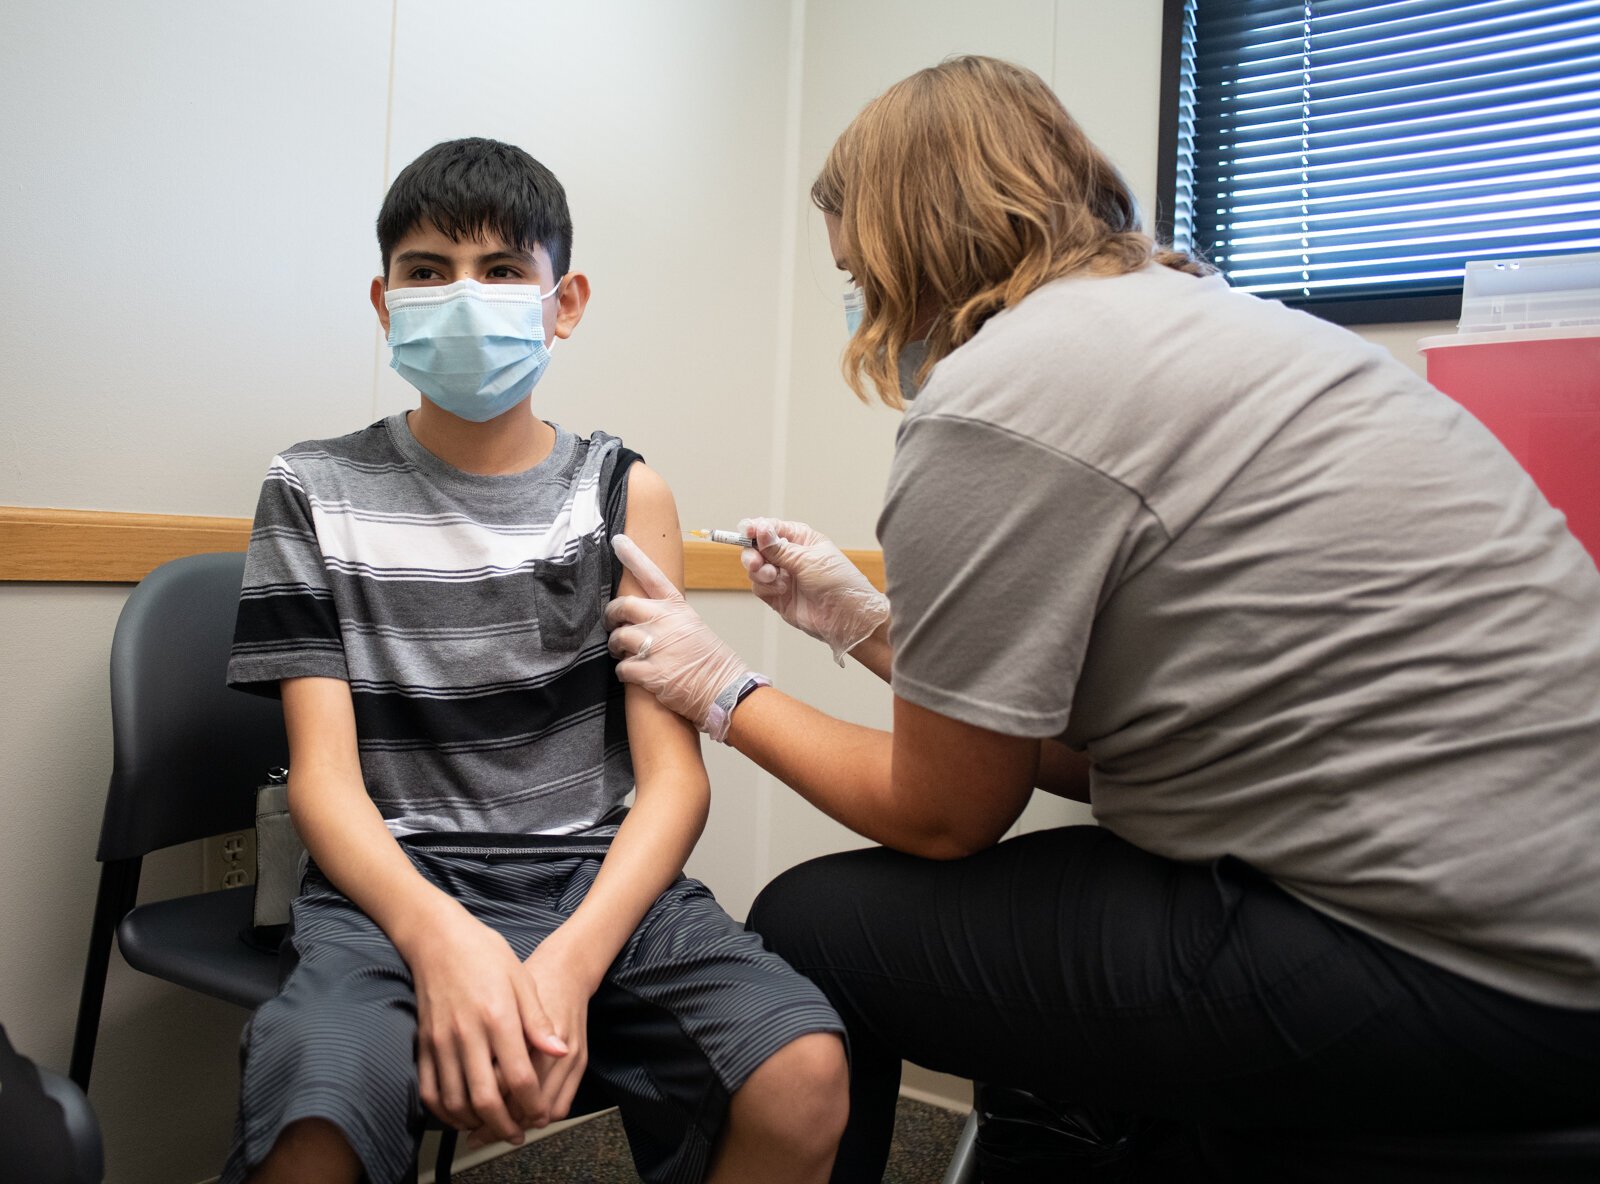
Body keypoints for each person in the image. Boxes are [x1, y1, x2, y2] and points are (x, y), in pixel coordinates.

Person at [603, 57, 1600, 1180]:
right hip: (1545, 916)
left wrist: (722, 688)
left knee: (810, 919)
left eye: (857, 273)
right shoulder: (1225, 331)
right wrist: (866, 621)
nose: (863, 306)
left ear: (910, 239)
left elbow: (944, 814)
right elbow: (1110, 749)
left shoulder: (1000, 393)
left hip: (1455, 961)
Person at [222, 137, 847, 1184]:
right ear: (384, 301)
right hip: (387, 894)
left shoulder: (622, 491)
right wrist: (440, 937)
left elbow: (672, 782)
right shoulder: (309, 487)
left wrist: (572, 955)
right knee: (312, 1127)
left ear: (564, 301)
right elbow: (325, 782)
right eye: (428, 271)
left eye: (502, 268)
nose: (463, 295)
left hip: (599, 888)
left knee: (803, 1070)